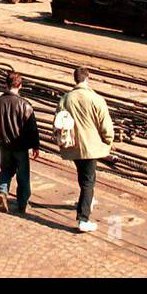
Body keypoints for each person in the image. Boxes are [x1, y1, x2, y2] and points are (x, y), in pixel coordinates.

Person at [58, 66, 114, 232]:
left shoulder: (66, 99)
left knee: (84, 176)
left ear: (75, 79)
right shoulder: (96, 98)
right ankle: (83, 219)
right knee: (89, 182)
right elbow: (105, 124)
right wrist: (108, 141)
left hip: (73, 145)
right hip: (91, 146)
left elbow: (59, 121)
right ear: (87, 78)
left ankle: (86, 201)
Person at [0, 72, 41, 215]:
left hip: (4, 144)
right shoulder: (25, 105)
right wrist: (35, 145)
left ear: (6, 85)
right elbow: (32, 128)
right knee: (23, 175)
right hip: (20, 146)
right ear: (20, 86)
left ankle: (2, 191)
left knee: (5, 170)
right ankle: (22, 204)